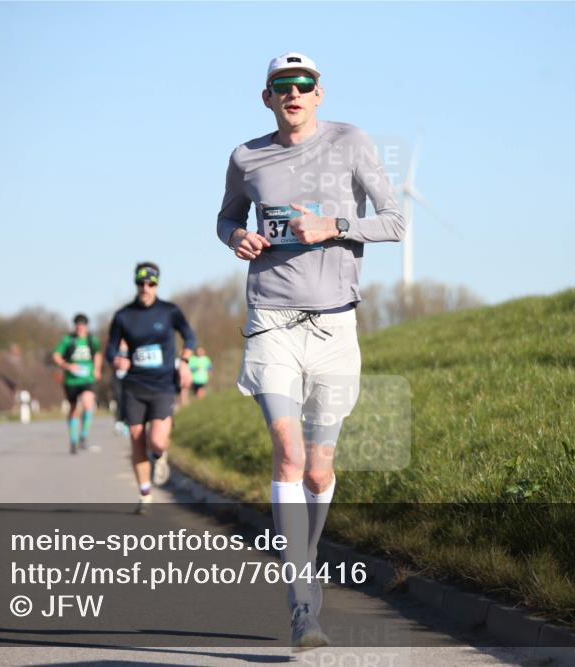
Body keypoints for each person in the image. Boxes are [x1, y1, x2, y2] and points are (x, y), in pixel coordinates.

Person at [215, 52, 404, 649]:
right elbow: (225, 218)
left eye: (303, 85)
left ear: (319, 93)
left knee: (320, 470)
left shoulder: (351, 142)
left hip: (335, 326)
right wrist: (236, 237)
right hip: (271, 318)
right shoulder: (246, 156)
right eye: (281, 86)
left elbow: (395, 222)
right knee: (288, 454)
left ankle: (307, 557)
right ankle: (301, 602)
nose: (293, 93)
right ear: (266, 97)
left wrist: (335, 227)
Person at [104, 262, 195, 513]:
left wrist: (185, 362)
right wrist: (116, 358)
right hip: (134, 386)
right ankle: (145, 493)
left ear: (157, 284)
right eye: (141, 283)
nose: (145, 287)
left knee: (156, 440)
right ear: (135, 283)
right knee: (135, 439)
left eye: (151, 283)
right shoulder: (123, 315)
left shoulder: (169, 311)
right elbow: (110, 348)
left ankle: (160, 455)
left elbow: (189, 336)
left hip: (163, 385)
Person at [52, 314, 102, 454]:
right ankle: (73, 440)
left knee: (88, 404)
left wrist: (97, 369)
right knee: (73, 409)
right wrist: (67, 365)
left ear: (86, 326)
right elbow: (56, 355)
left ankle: (84, 436)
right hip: (71, 380)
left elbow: (97, 354)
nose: (80, 327)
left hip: (87, 379)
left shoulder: (92, 340)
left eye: (83, 325)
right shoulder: (68, 340)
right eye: (78, 325)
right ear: (75, 326)